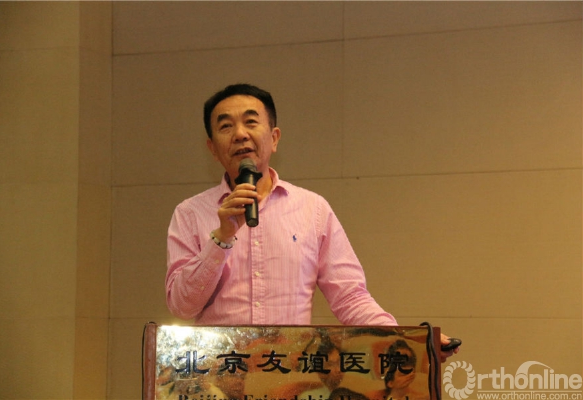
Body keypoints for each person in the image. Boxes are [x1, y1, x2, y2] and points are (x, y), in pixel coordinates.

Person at [165, 83, 459, 360]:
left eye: (251, 122)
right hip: (220, 374)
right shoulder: (190, 213)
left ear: (274, 138)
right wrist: (221, 238)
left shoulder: (312, 209)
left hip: (289, 372)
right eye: (226, 126)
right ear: (212, 148)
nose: (240, 134)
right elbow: (181, 306)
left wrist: (409, 342)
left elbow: (350, 297)